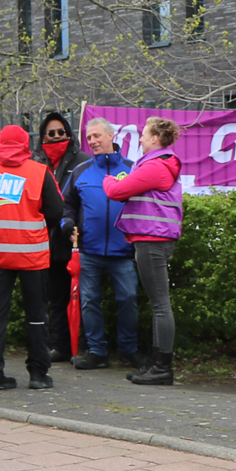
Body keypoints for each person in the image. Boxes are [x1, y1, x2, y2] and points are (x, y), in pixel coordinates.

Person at [0, 125, 65, 391]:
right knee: (36, 316)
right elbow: (56, 211)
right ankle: (38, 374)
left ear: (0, 143)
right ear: (25, 144)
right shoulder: (39, 172)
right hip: (33, 256)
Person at [104, 117, 184, 386]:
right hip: (152, 240)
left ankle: (162, 368)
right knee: (158, 305)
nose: (139, 139)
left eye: (143, 134)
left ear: (155, 139)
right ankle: (156, 363)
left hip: (152, 241)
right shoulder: (157, 165)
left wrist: (108, 179)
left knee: (161, 306)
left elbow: (117, 190)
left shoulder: (156, 167)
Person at [67, 118, 139, 369]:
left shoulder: (133, 168)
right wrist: (67, 224)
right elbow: (68, 205)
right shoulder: (81, 171)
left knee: (128, 298)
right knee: (89, 301)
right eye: (89, 138)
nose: (93, 142)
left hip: (123, 252)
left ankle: (129, 351)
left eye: (97, 136)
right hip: (89, 251)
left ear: (111, 136)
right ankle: (97, 352)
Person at [33, 112, 87, 363]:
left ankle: (83, 346)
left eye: (61, 132)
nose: (56, 137)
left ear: (69, 134)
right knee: (55, 297)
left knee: (82, 297)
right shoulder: (34, 163)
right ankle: (61, 345)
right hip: (44, 241)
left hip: (74, 241)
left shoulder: (83, 161)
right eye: (51, 133)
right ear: (42, 136)